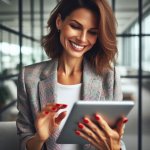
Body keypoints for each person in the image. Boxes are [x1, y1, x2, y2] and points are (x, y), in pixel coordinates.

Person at [16, 0, 128, 149]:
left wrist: (115, 147)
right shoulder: (29, 77)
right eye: (75, 26)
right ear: (59, 22)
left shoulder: (110, 77)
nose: (82, 38)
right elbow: (24, 140)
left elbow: (115, 139)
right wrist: (39, 138)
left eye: (92, 32)